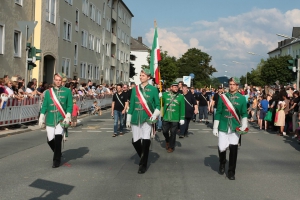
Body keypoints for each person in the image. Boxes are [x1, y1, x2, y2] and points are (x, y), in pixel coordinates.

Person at [126, 68, 160, 174]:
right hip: (136, 118)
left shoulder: (154, 89)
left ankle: (143, 165)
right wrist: (128, 118)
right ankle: (143, 156)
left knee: (146, 140)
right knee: (135, 141)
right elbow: (131, 105)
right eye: (140, 75)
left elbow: (158, 105)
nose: (141, 77)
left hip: (147, 118)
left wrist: (154, 115)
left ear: (148, 77)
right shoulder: (135, 89)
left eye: (143, 75)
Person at [213, 77, 248, 180]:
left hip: (234, 127)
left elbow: (244, 113)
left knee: (233, 150)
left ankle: (231, 172)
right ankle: (222, 162)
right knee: (221, 148)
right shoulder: (223, 97)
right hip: (223, 126)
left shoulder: (242, 98)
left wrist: (244, 125)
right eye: (230, 84)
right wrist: (215, 127)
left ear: (237, 86)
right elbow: (219, 112)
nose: (232, 86)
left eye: (234, 84)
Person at [38, 72, 73, 168]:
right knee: (50, 140)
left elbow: (70, 105)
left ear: (62, 81)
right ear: (54, 80)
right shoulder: (48, 92)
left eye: (59, 80)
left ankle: (56, 160)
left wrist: (68, 115)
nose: (58, 82)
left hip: (61, 118)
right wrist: (41, 116)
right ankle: (58, 152)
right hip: (50, 118)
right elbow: (44, 105)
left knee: (58, 139)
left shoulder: (67, 91)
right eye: (56, 80)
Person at [161, 82, 185, 153]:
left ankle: (171, 146)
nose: (176, 88)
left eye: (177, 87)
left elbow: (182, 108)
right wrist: (160, 98)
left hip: (175, 117)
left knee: (173, 132)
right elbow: (161, 105)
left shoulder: (181, 96)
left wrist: (182, 118)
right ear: (171, 87)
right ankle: (167, 140)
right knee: (165, 131)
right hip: (166, 116)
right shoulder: (165, 95)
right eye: (174, 87)